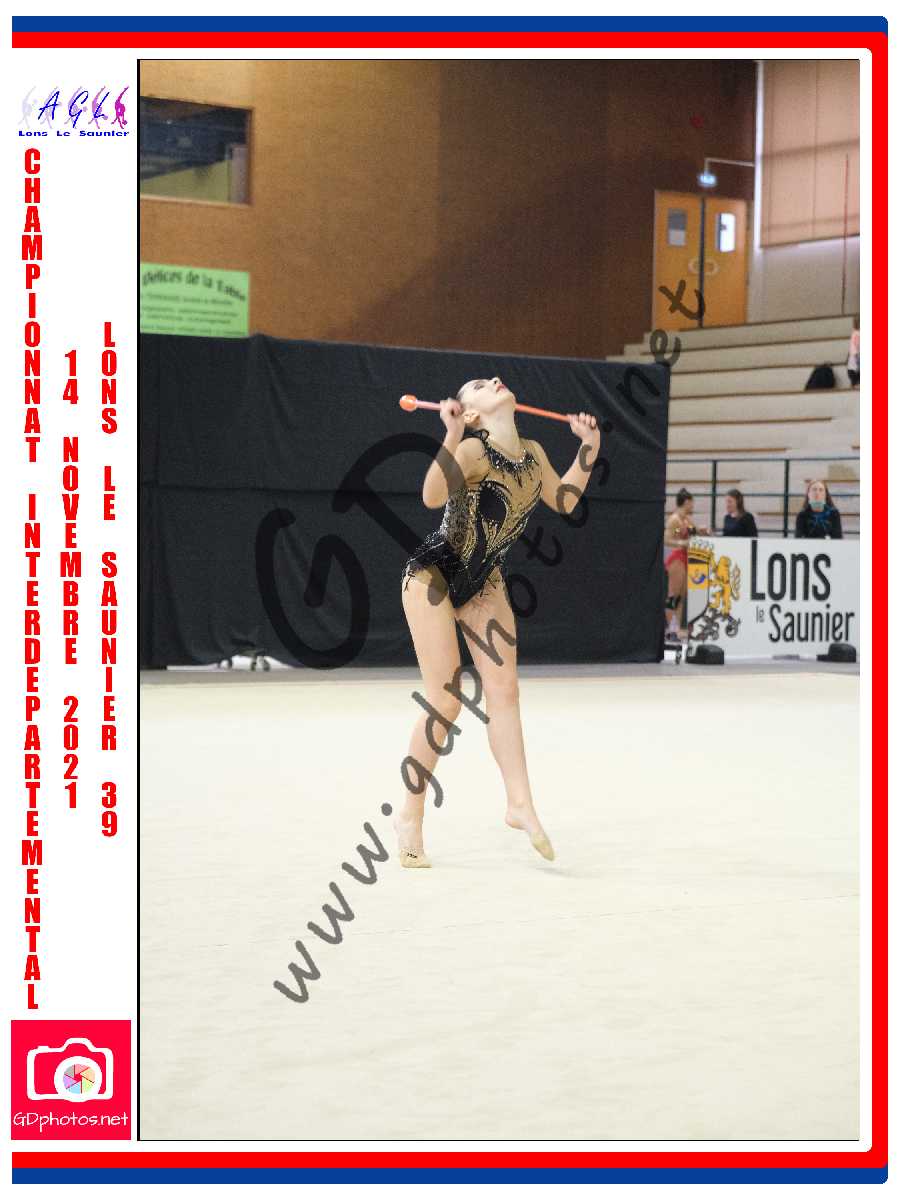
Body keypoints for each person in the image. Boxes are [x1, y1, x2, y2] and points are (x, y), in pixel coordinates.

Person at [398, 377, 601, 868]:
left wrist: (589, 449)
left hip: (484, 581)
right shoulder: (472, 450)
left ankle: (519, 804)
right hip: (433, 576)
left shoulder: (533, 453)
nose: (493, 380)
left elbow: (565, 499)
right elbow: (431, 495)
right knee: (446, 699)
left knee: (505, 690)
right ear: (471, 413)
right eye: (479, 385)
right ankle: (410, 814)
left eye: (492, 378)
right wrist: (450, 435)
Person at [663, 488, 710, 640]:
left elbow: (691, 531)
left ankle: (675, 629)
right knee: (673, 595)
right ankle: (671, 629)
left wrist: (702, 530)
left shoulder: (685, 520)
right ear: (687, 502)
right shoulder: (675, 519)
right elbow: (667, 538)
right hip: (677, 557)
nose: (693, 506)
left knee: (681, 596)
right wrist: (682, 543)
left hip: (685, 557)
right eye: (692, 503)